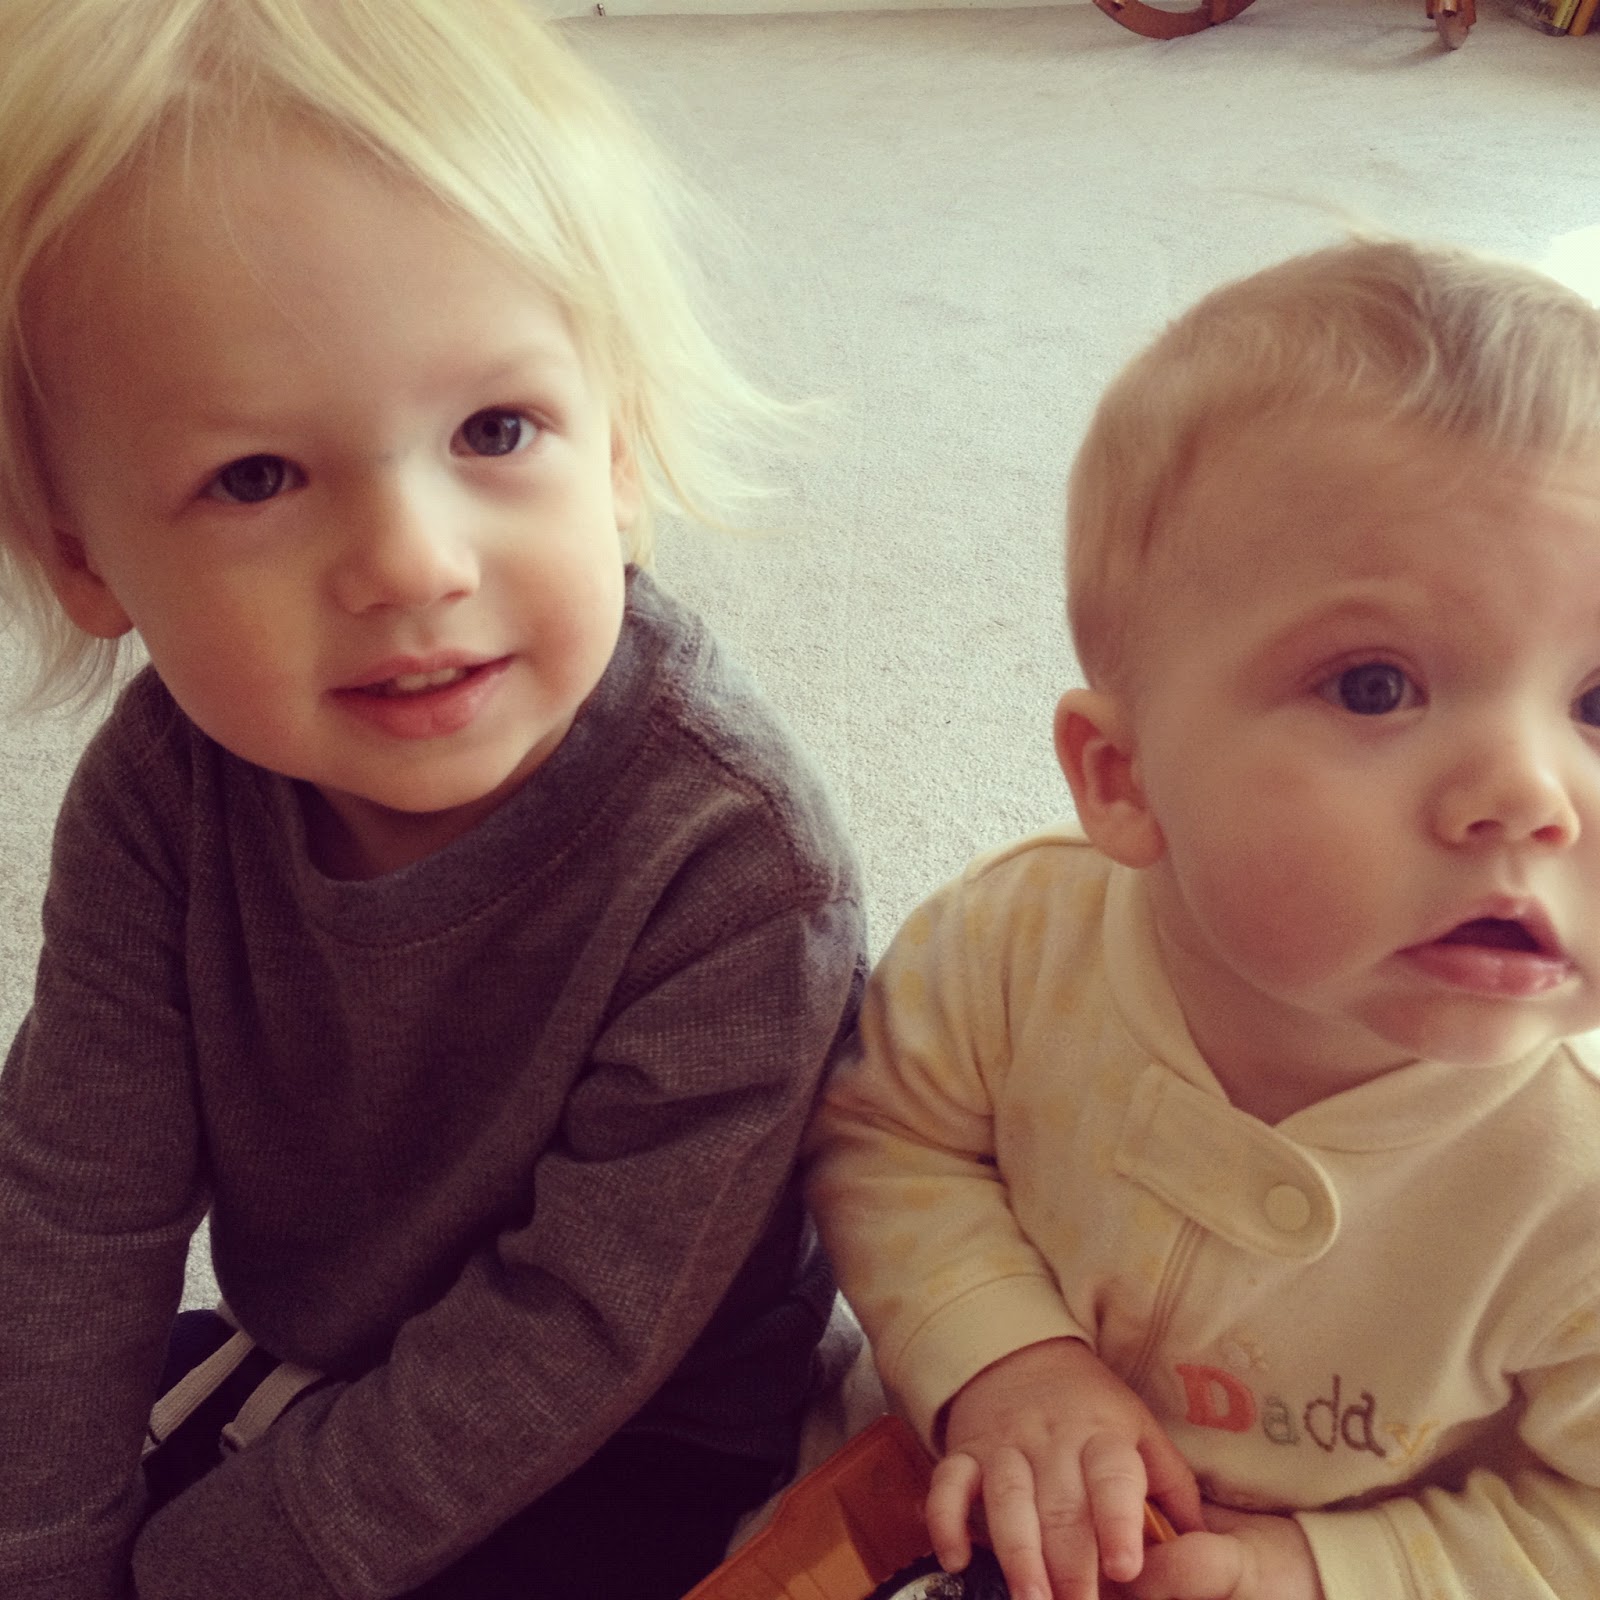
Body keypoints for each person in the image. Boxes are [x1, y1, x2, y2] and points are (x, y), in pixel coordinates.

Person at [0, 2, 866, 1597]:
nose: (412, 563)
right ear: (83, 556)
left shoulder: (735, 861)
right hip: (314, 1349)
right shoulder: (164, 791)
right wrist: (43, 1549)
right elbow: (74, 1201)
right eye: (256, 477)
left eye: (495, 430)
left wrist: (226, 1565)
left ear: (619, 448)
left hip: (635, 1424)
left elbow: (583, 1326)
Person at [805, 236, 1600, 1600]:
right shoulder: (1012, 950)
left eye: (1598, 705)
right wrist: (1004, 1358)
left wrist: (1329, 1569)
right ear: (1124, 778)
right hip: (947, 1499)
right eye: (1374, 686)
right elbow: (883, 1136)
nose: (1527, 795)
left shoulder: (1573, 1185)